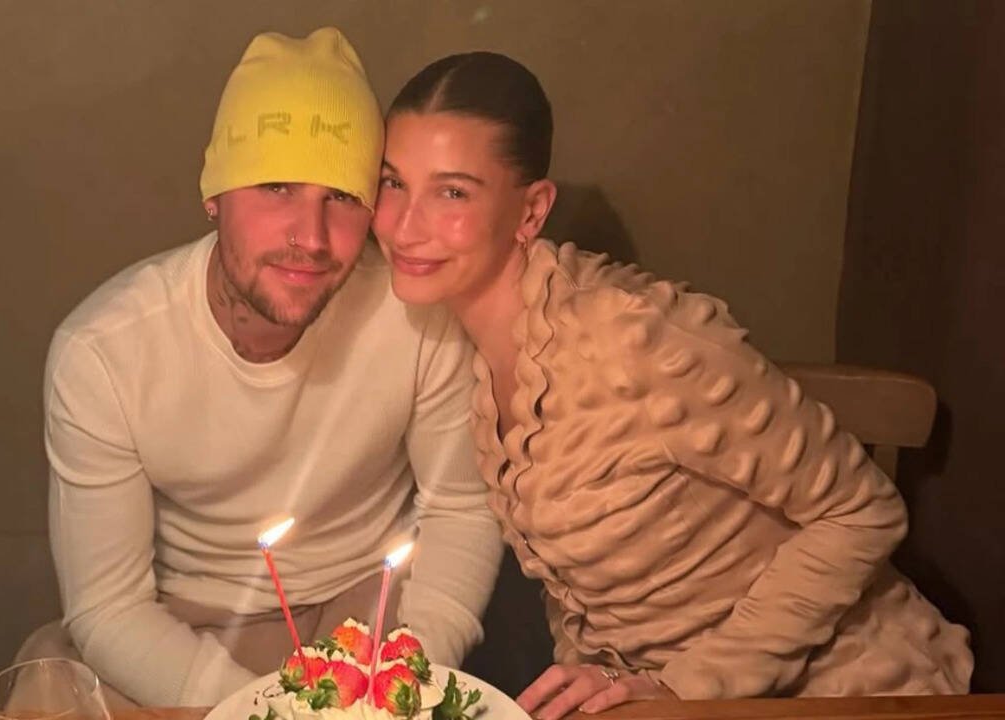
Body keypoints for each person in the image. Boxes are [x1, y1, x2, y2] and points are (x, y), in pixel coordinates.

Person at [370, 51, 974, 716]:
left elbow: (861, 512)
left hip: (844, 687)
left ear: (532, 211)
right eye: (393, 182)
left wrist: (689, 685)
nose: (404, 225)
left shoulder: (638, 338)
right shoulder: (471, 354)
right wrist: (600, 679)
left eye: (452, 192)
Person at [18, 29, 502, 708]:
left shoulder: (417, 314)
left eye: (343, 197)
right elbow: (107, 607)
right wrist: (266, 711)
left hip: (373, 615)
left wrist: (406, 676)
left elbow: (461, 509)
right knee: (45, 690)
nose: (310, 236)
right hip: (193, 626)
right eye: (277, 186)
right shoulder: (103, 353)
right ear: (214, 194)